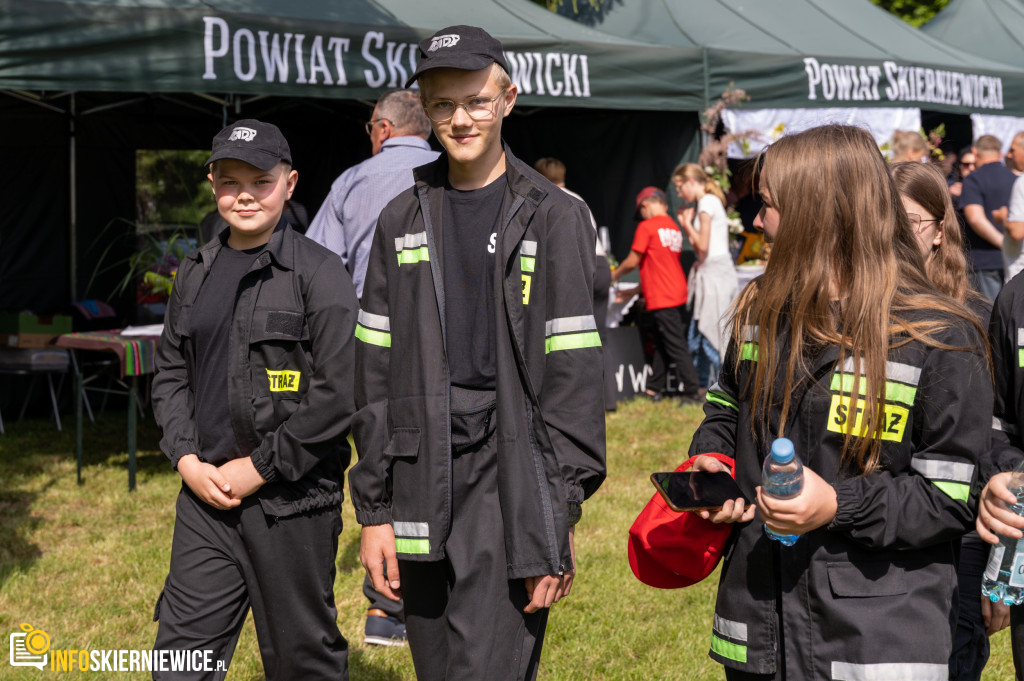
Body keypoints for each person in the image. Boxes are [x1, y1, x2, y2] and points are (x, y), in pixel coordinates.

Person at [348, 25, 606, 681]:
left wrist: (557, 511)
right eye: (443, 105)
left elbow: (574, 379)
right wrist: (374, 513)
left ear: (508, 99)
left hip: (510, 474)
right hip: (417, 469)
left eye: (477, 101)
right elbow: (372, 374)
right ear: (425, 110)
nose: (460, 119)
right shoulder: (400, 218)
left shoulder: (553, 216)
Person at [689, 124, 990, 681]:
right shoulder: (759, 310)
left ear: (818, 213)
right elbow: (725, 405)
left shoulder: (940, 334)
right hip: (760, 629)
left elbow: (949, 497)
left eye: (769, 205)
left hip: (876, 642)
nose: (756, 221)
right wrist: (712, 460)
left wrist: (838, 506)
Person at [150, 120, 358, 679]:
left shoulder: (320, 274)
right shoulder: (194, 273)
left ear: (289, 184)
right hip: (205, 501)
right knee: (178, 661)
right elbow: (170, 373)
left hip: (291, 503)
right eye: (229, 180)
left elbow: (338, 395)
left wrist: (262, 467)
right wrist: (187, 460)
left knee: (301, 662)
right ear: (212, 182)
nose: (243, 194)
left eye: (260, 180)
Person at [891, 161, 993, 681]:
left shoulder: (969, 313)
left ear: (939, 231)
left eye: (909, 222)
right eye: (883, 219)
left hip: (964, 530)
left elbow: (986, 447)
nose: (895, 235)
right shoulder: (868, 314)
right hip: (891, 531)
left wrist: (991, 567)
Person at [306, 89, 440, 298]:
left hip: (370, 314)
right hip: (442, 312)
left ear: (384, 129)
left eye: (371, 127)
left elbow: (314, 261)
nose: (371, 135)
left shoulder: (350, 181)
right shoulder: (456, 171)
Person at [611, 187, 702, 403]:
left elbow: (633, 261)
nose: (641, 216)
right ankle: (653, 389)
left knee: (675, 343)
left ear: (645, 206)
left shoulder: (647, 227)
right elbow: (660, 267)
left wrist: (614, 275)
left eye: (640, 211)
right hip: (676, 291)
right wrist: (635, 290)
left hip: (662, 296)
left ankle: (692, 391)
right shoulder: (673, 227)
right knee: (664, 341)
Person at [673, 162, 739, 387]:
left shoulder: (706, 203)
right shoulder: (708, 202)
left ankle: (720, 386)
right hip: (712, 275)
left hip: (715, 279)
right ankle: (703, 385)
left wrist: (685, 224)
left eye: (680, 187)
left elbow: (701, 246)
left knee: (713, 334)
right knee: (703, 334)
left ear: (691, 182)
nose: (679, 193)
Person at [961, 134, 1017, 301]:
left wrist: (1002, 242)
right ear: (1000, 153)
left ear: (975, 151)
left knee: (988, 318)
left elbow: (976, 219)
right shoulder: (1015, 179)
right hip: (1012, 260)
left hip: (983, 262)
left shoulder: (973, 179)